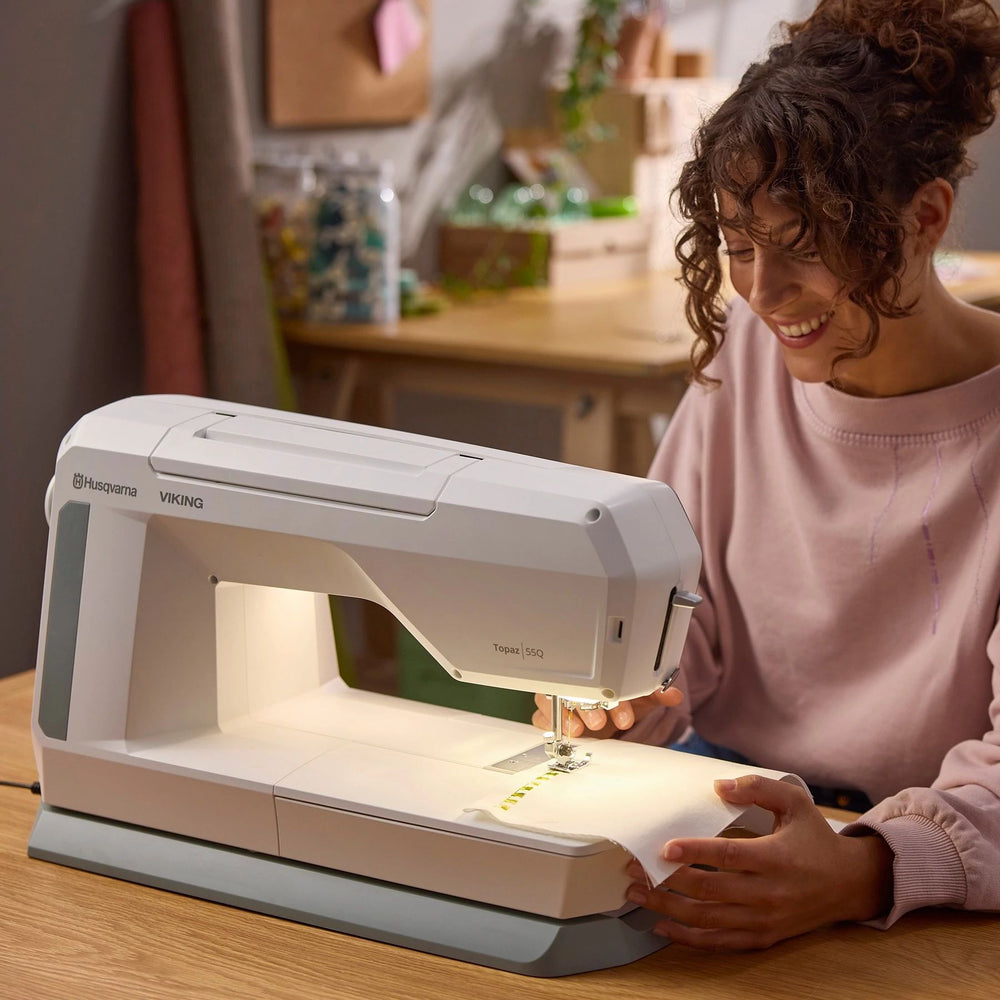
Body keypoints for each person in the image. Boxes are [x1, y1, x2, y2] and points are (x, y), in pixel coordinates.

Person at [534, 0, 1000, 951]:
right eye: (739, 249)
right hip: (736, 816)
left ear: (926, 218)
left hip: (924, 869)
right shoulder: (749, 356)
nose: (760, 294)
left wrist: (869, 863)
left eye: (802, 249)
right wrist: (621, 699)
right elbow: (679, 631)